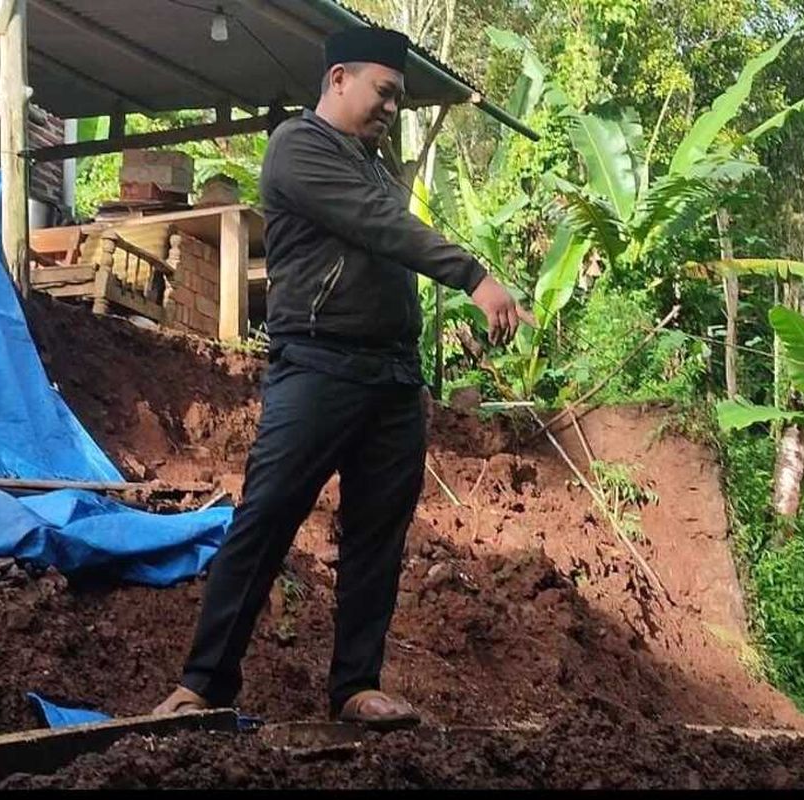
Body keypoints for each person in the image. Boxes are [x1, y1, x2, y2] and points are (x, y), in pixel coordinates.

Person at [151, 26, 532, 730]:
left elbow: (389, 230)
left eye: (398, 98)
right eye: (383, 92)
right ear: (338, 80)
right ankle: (204, 683)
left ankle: (356, 684)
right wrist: (474, 276)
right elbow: (380, 231)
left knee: (376, 537)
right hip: (320, 363)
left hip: (392, 375)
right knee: (266, 518)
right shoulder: (299, 148)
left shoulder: (376, 168)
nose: (391, 107)